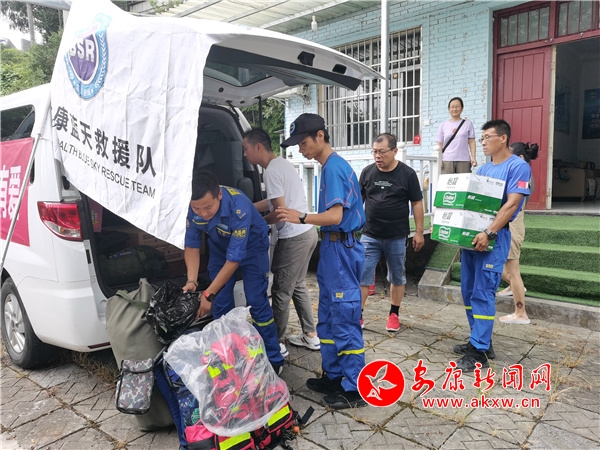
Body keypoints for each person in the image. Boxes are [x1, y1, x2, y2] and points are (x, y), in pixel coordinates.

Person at [276, 113, 366, 410]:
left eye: (303, 142)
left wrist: (300, 216)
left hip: (341, 249)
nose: (300, 149)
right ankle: (335, 375)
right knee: (327, 315)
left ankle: (355, 388)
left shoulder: (334, 168)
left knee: (344, 316)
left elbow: (335, 216)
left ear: (320, 136)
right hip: (332, 248)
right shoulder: (328, 167)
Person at [182, 171, 284, 373]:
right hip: (221, 250)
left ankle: (273, 358)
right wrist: (192, 281)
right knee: (221, 304)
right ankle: (230, 357)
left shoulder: (239, 207)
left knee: (256, 301)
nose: (203, 213)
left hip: (253, 249)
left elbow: (234, 259)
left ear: (219, 194)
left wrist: (208, 293)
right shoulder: (191, 208)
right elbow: (192, 245)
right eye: (197, 208)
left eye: (208, 207)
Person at [454, 120, 531, 372]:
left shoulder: (517, 167)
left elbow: (512, 204)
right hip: (472, 239)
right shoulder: (484, 169)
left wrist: (489, 232)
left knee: (483, 292)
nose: (483, 142)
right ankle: (480, 340)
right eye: (482, 138)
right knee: (468, 292)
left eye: (488, 137)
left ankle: (479, 352)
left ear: (503, 138)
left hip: (494, 238)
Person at [242, 128, 319, 357]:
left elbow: (279, 211)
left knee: (280, 291)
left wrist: (256, 223)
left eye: (246, 149)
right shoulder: (282, 164)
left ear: (258, 147)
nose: (244, 154)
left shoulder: (271, 171)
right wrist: (247, 208)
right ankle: (311, 335)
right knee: (298, 285)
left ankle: (277, 343)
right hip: (308, 232)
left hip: (294, 237)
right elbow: (273, 201)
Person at [359, 132, 425, 332]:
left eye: (382, 152)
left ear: (395, 151)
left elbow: (417, 203)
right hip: (370, 234)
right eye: (374, 152)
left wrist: (419, 232)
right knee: (362, 275)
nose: (377, 156)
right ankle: (358, 315)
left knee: (397, 276)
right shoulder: (367, 172)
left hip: (396, 235)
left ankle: (394, 314)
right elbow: (358, 202)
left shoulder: (407, 174)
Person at [497, 142, 539, 325]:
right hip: (512, 225)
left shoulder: (522, 176)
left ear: (520, 158)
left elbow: (512, 204)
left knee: (512, 270)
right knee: (504, 268)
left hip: (513, 226)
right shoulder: (524, 175)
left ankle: (520, 313)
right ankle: (512, 287)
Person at [436, 97, 477, 174]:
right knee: (447, 181)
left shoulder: (468, 123)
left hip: (464, 160)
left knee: (464, 181)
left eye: (457, 106)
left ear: (462, 108)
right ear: (448, 109)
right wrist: (440, 159)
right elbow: (439, 144)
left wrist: (473, 157)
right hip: (447, 160)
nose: (455, 109)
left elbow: (472, 142)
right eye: (452, 107)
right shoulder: (443, 125)